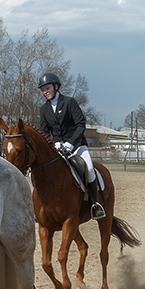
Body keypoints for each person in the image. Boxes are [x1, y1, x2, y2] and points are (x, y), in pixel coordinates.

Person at [37, 72, 105, 219]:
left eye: (47, 88)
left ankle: (95, 204)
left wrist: (70, 143)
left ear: (56, 86)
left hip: (77, 146)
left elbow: (81, 124)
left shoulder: (69, 102)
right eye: (43, 90)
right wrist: (52, 143)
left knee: (89, 168)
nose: (45, 92)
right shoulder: (44, 110)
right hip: (57, 149)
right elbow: (43, 132)